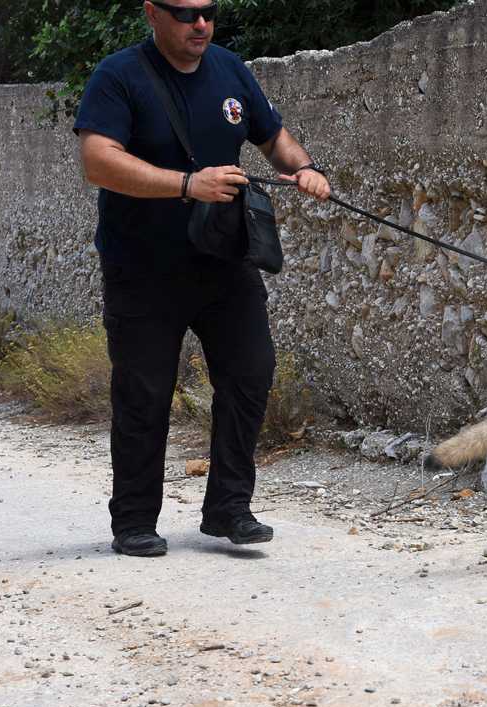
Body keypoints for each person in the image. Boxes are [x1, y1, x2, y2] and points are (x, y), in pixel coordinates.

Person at [73, 0, 330, 557]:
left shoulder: (231, 69)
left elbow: (274, 137)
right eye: (186, 13)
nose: (201, 24)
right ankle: (135, 521)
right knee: (144, 394)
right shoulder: (119, 76)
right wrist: (187, 185)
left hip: (223, 259)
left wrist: (303, 167)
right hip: (142, 266)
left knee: (251, 373)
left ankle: (229, 509)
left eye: (209, 11)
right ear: (152, 14)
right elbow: (97, 160)